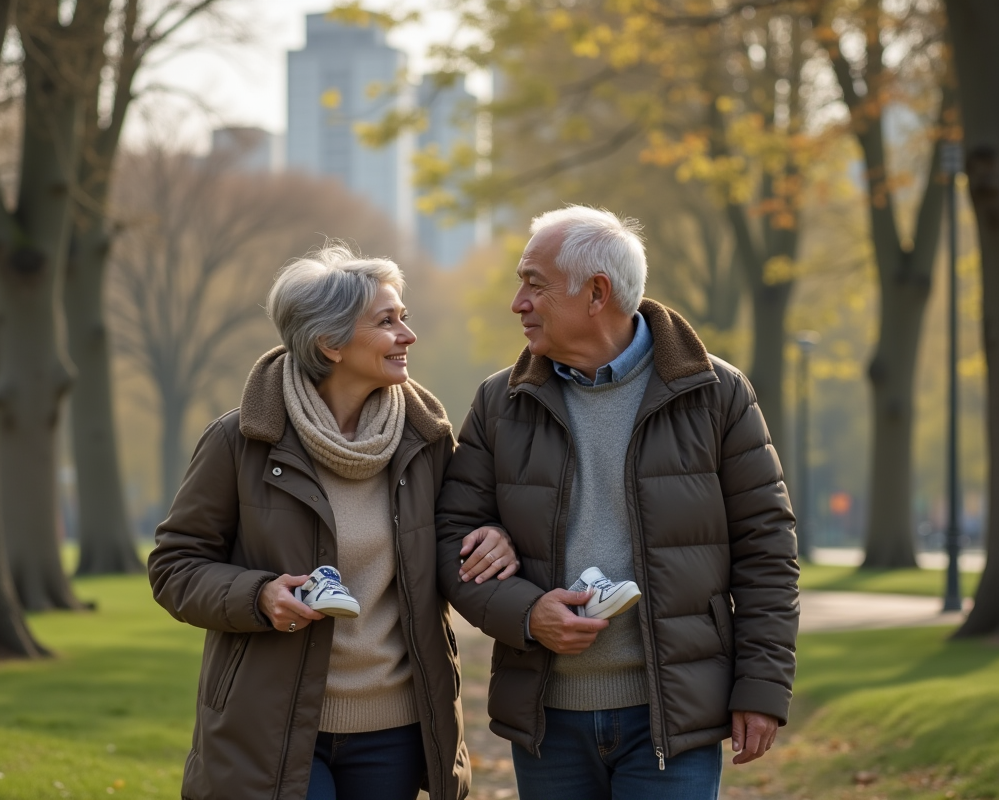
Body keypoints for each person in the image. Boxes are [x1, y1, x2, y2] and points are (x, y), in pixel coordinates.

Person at [435, 206, 800, 800]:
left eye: (534, 284)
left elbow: (767, 551)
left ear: (596, 292)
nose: (517, 302)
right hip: (547, 722)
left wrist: (762, 688)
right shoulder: (500, 402)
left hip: (671, 718)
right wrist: (528, 613)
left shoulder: (717, 394)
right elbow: (451, 539)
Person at [149, 244, 518, 800]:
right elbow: (174, 566)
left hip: (396, 729)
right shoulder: (241, 440)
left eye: (405, 318)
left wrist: (495, 534)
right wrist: (260, 595)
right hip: (272, 726)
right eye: (387, 322)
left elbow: (459, 531)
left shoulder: (428, 440)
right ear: (330, 342)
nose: (408, 335)